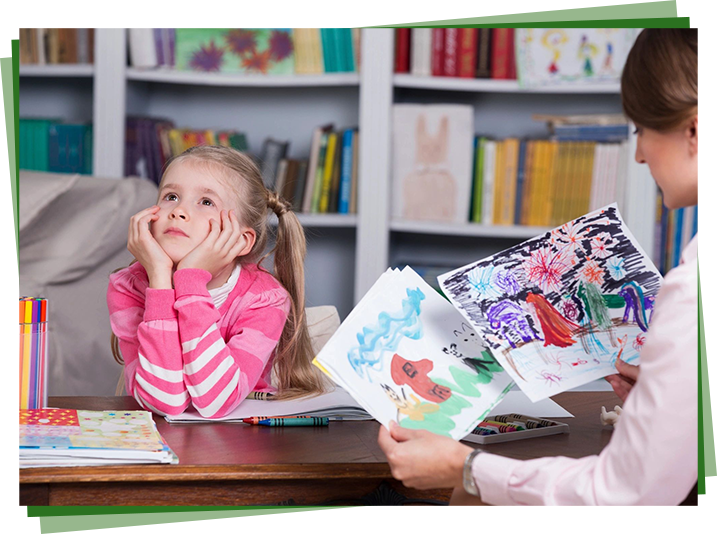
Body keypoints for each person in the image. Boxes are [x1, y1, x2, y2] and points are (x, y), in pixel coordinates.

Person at [378, 28, 703, 506]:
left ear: (695, 131)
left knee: (467, 502)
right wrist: (671, 406)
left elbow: (622, 497)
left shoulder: (695, 290)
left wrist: (465, 468)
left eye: (641, 131)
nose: (638, 154)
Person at [107, 146, 326, 418]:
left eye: (206, 202)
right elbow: (165, 402)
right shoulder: (128, 287)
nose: (178, 211)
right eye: (171, 196)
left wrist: (190, 279)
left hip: (241, 444)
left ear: (241, 240)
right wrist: (160, 279)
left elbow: (216, 403)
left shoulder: (264, 300)